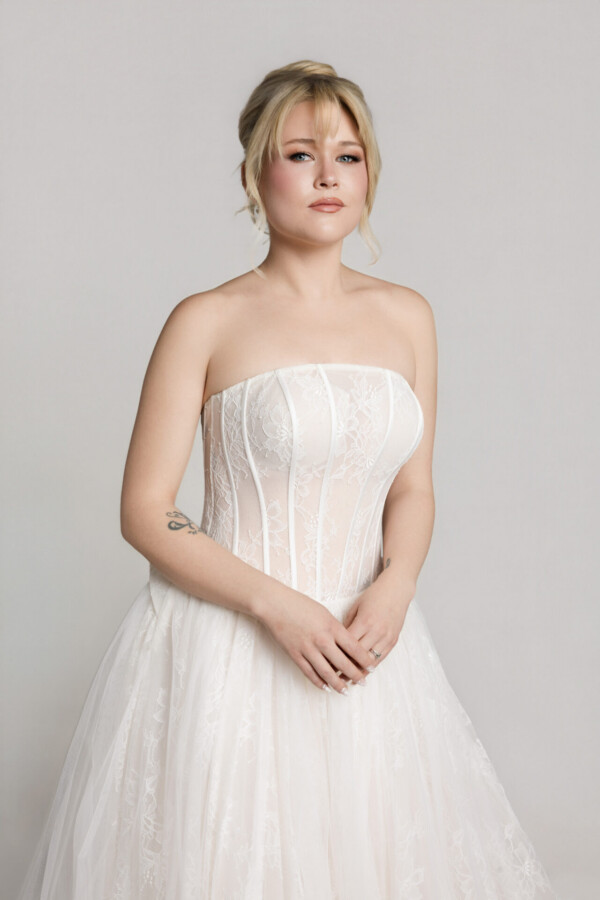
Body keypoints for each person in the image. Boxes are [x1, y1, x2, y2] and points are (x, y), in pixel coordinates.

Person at [18, 60, 559, 899]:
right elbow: (145, 511)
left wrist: (395, 586)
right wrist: (277, 605)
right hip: (225, 647)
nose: (328, 175)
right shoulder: (206, 320)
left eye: (347, 155)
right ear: (252, 172)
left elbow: (414, 488)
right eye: (301, 153)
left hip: (366, 644)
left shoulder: (408, 316)